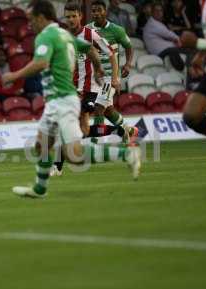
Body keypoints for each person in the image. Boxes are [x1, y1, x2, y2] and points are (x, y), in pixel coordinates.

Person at [2, 0, 141, 198]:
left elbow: (41, 63)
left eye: (31, 19)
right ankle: (39, 188)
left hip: (63, 100)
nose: (29, 24)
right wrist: (99, 67)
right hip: (58, 100)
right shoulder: (63, 34)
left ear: (41, 18)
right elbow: (89, 49)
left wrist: (13, 76)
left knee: (74, 154)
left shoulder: (46, 36)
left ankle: (126, 153)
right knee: (41, 145)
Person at [51, 1, 123, 176]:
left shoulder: (91, 34)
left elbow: (111, 54)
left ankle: (57, 166)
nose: (71, 20)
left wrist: (114, 78)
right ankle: (118, 130)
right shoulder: (64, 36)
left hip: (92, 89)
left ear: (80, 16)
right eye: (67, 17)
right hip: (74, 89)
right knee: (76, 129)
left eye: (74, 16)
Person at [86, 1, 137, 144]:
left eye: (98, 10)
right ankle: (128, 131)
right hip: (95, 77)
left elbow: (129, 46)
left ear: (105, 12)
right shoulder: (87, 30)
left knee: (98, 107)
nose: (95, 13)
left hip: (110, 77)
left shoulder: (117, 30)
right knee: (108, 110)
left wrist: (127, 64)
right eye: (93, 11)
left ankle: (96, 143)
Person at [180, 4, 206, 169]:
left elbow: (205, 41)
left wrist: (198, 44)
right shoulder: (205, 3)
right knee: (191, 116)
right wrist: (201, 54)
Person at [143, 3, 185, 71]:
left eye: (161, 10)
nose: (159, 13)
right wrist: (178, 39)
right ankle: (181, 69)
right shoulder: (152, 23)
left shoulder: (157, 23)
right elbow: (169, 34)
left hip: (163, 50)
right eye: (156, 11)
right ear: (152, 12)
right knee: (174, 49)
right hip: (158, 52)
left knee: (183, 50)